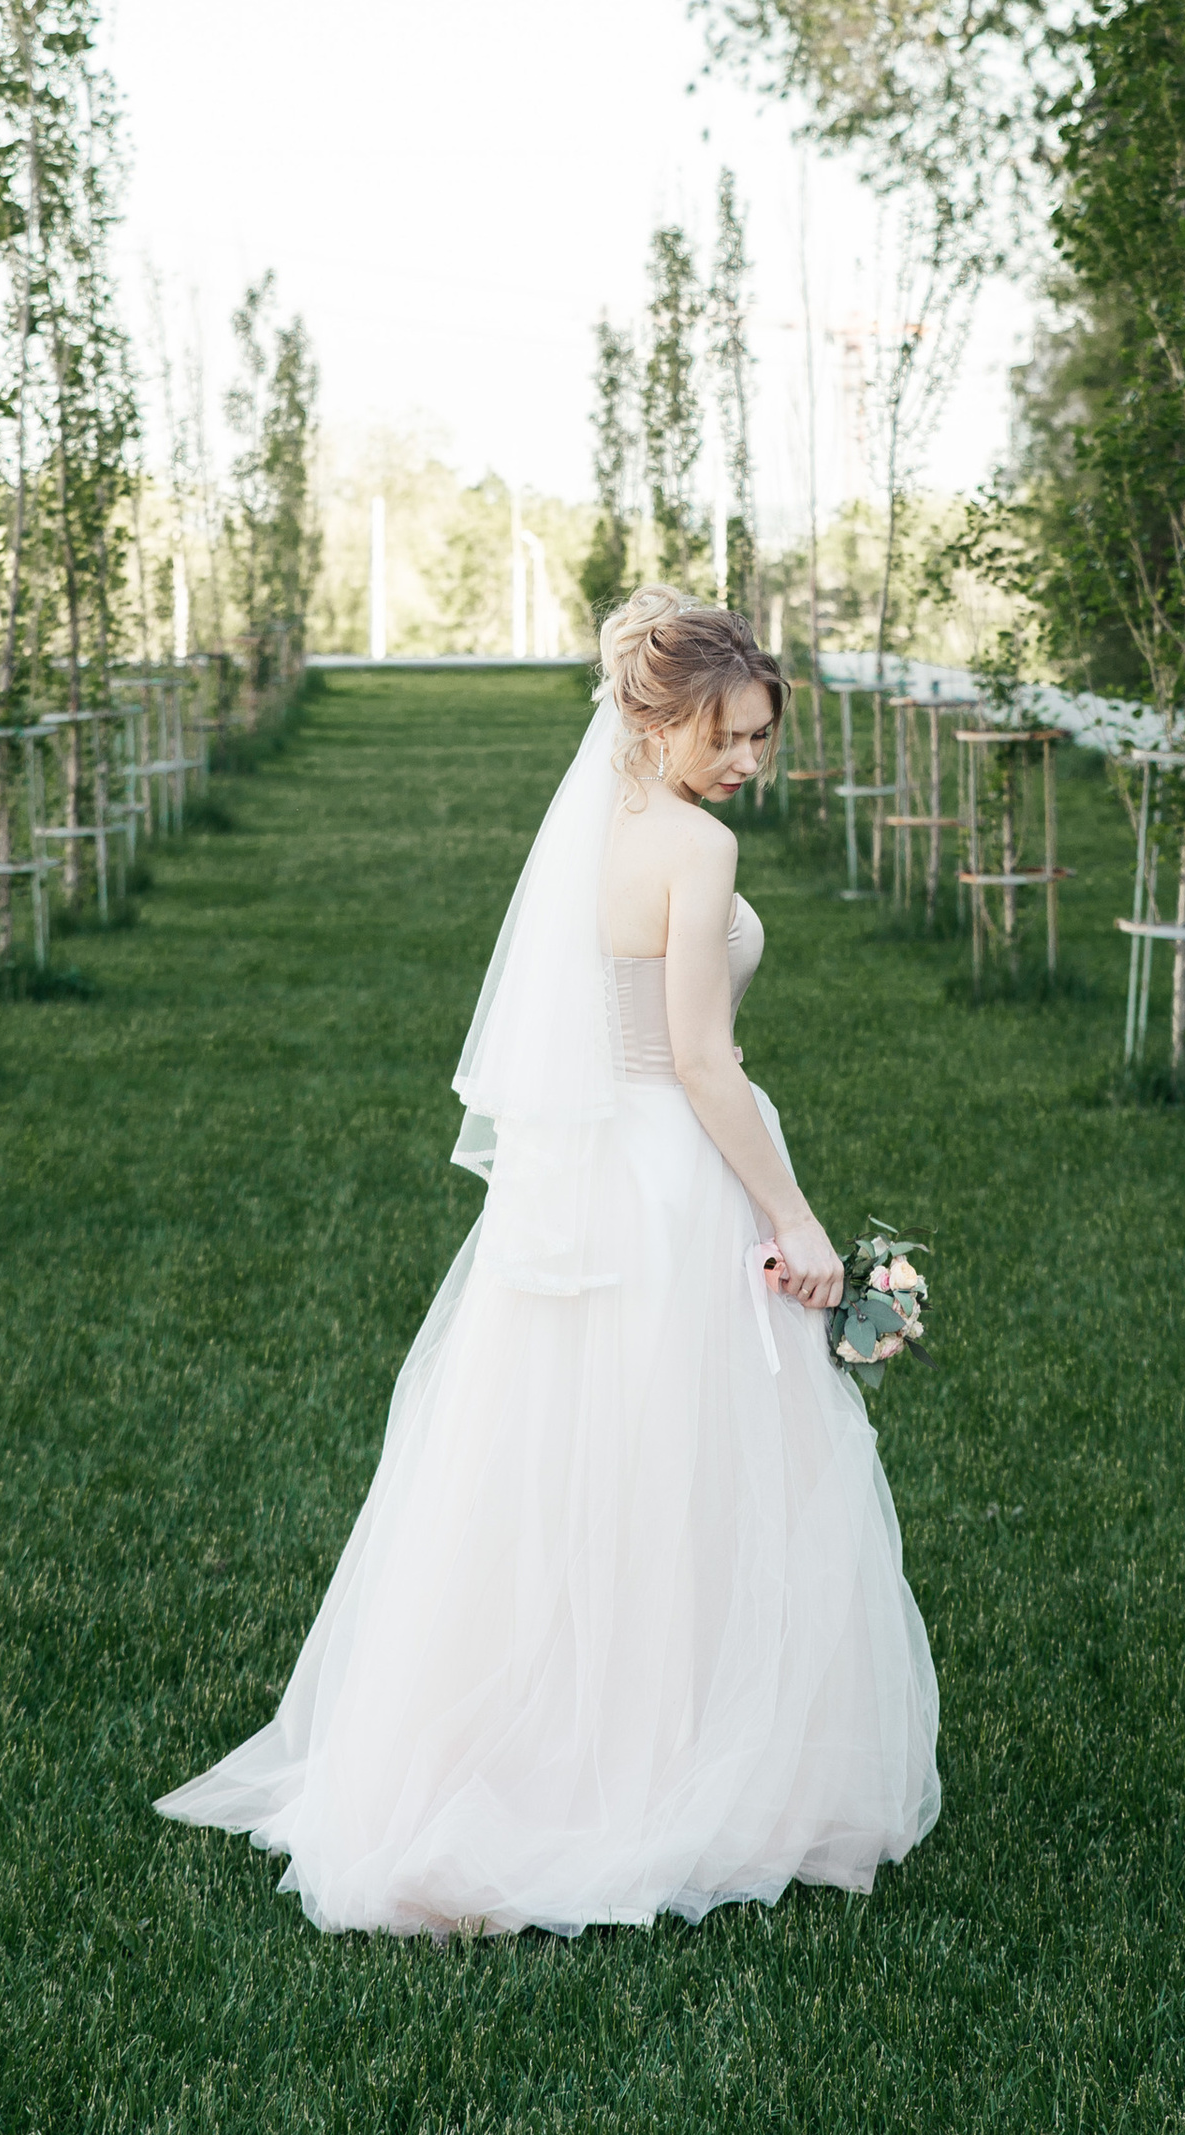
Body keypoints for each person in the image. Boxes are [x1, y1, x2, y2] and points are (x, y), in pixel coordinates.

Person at [157, 587, 940, 1934]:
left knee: (559, 1461)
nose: (750, 762)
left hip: (577, 1183)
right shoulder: (693, 850)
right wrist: (796, 1220)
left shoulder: (595, 829)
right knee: (681, 1460)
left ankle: (529, 1752)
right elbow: (699, 1058)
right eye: (732, 733)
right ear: (662, 713)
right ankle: (664, 1765)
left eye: (761, 737)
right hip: (672, 1173)